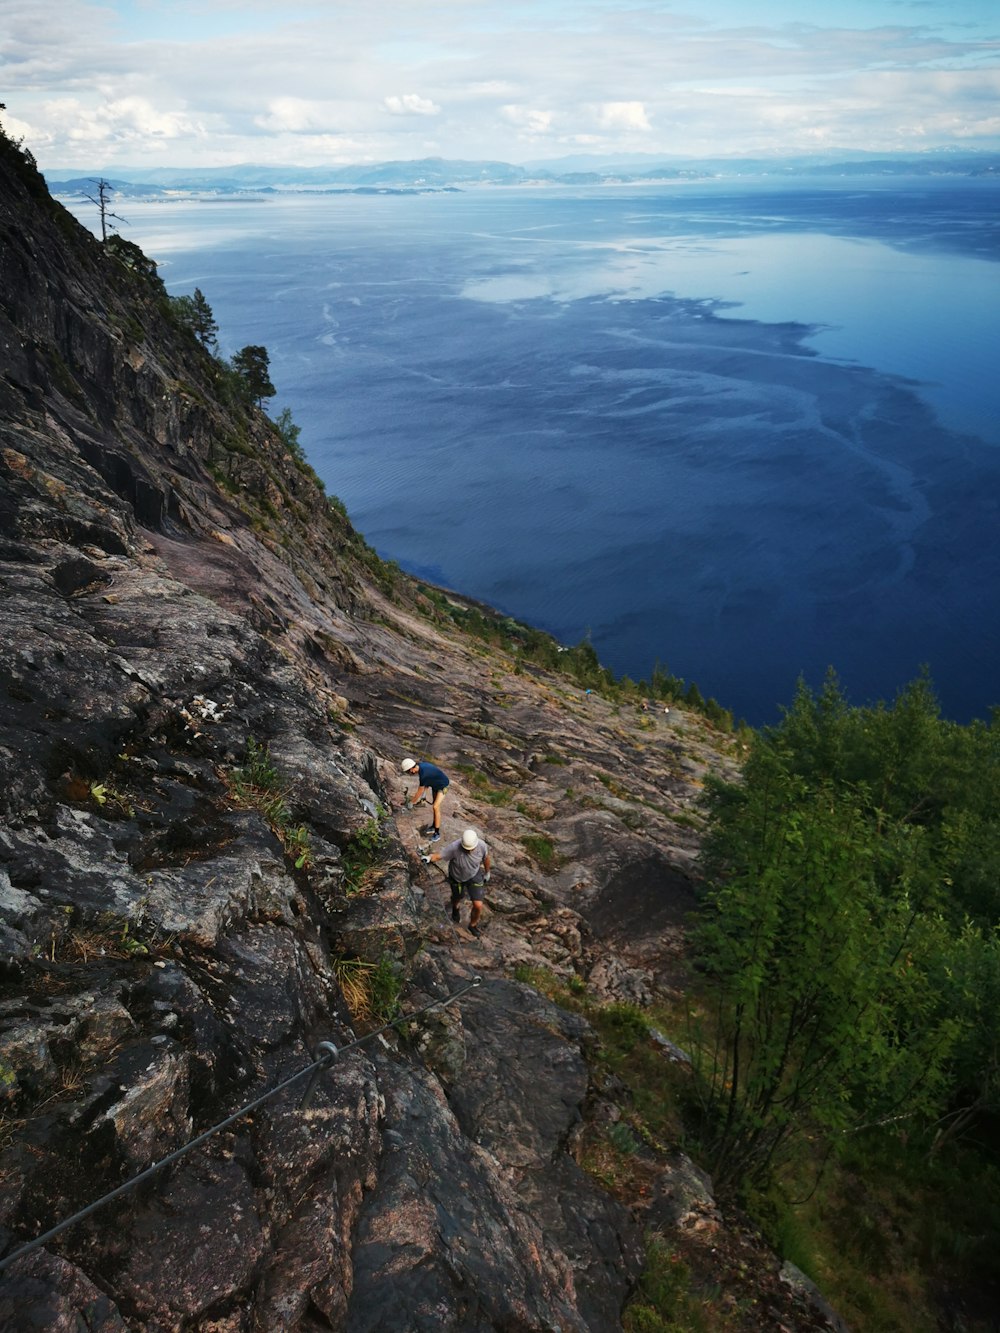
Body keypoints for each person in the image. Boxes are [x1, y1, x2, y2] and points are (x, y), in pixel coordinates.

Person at [423, 827, 491, 936]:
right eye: (467, 848)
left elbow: (486, 858)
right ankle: (455, 907)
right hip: (457, 877)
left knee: (478, 905)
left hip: (474, 875)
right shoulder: (455, 847)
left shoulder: (482, 845)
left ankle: (472, 925)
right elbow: (439, 856)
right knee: (457, 897)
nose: (469, 850)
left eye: (471, 848)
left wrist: (487, 872)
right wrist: (429, 858)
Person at [400, 757, 449, 842]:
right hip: (435, 785)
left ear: (411, 769)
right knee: (434, 806)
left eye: (409, 772)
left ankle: (437, 833)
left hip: (443, 786)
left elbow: (419, 791)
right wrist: (424, 796)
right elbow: (427, 783)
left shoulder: (423, 775)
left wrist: (411, 803)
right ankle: (434, 826)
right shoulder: (421, 766)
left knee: (435, 807)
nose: (410, 773)